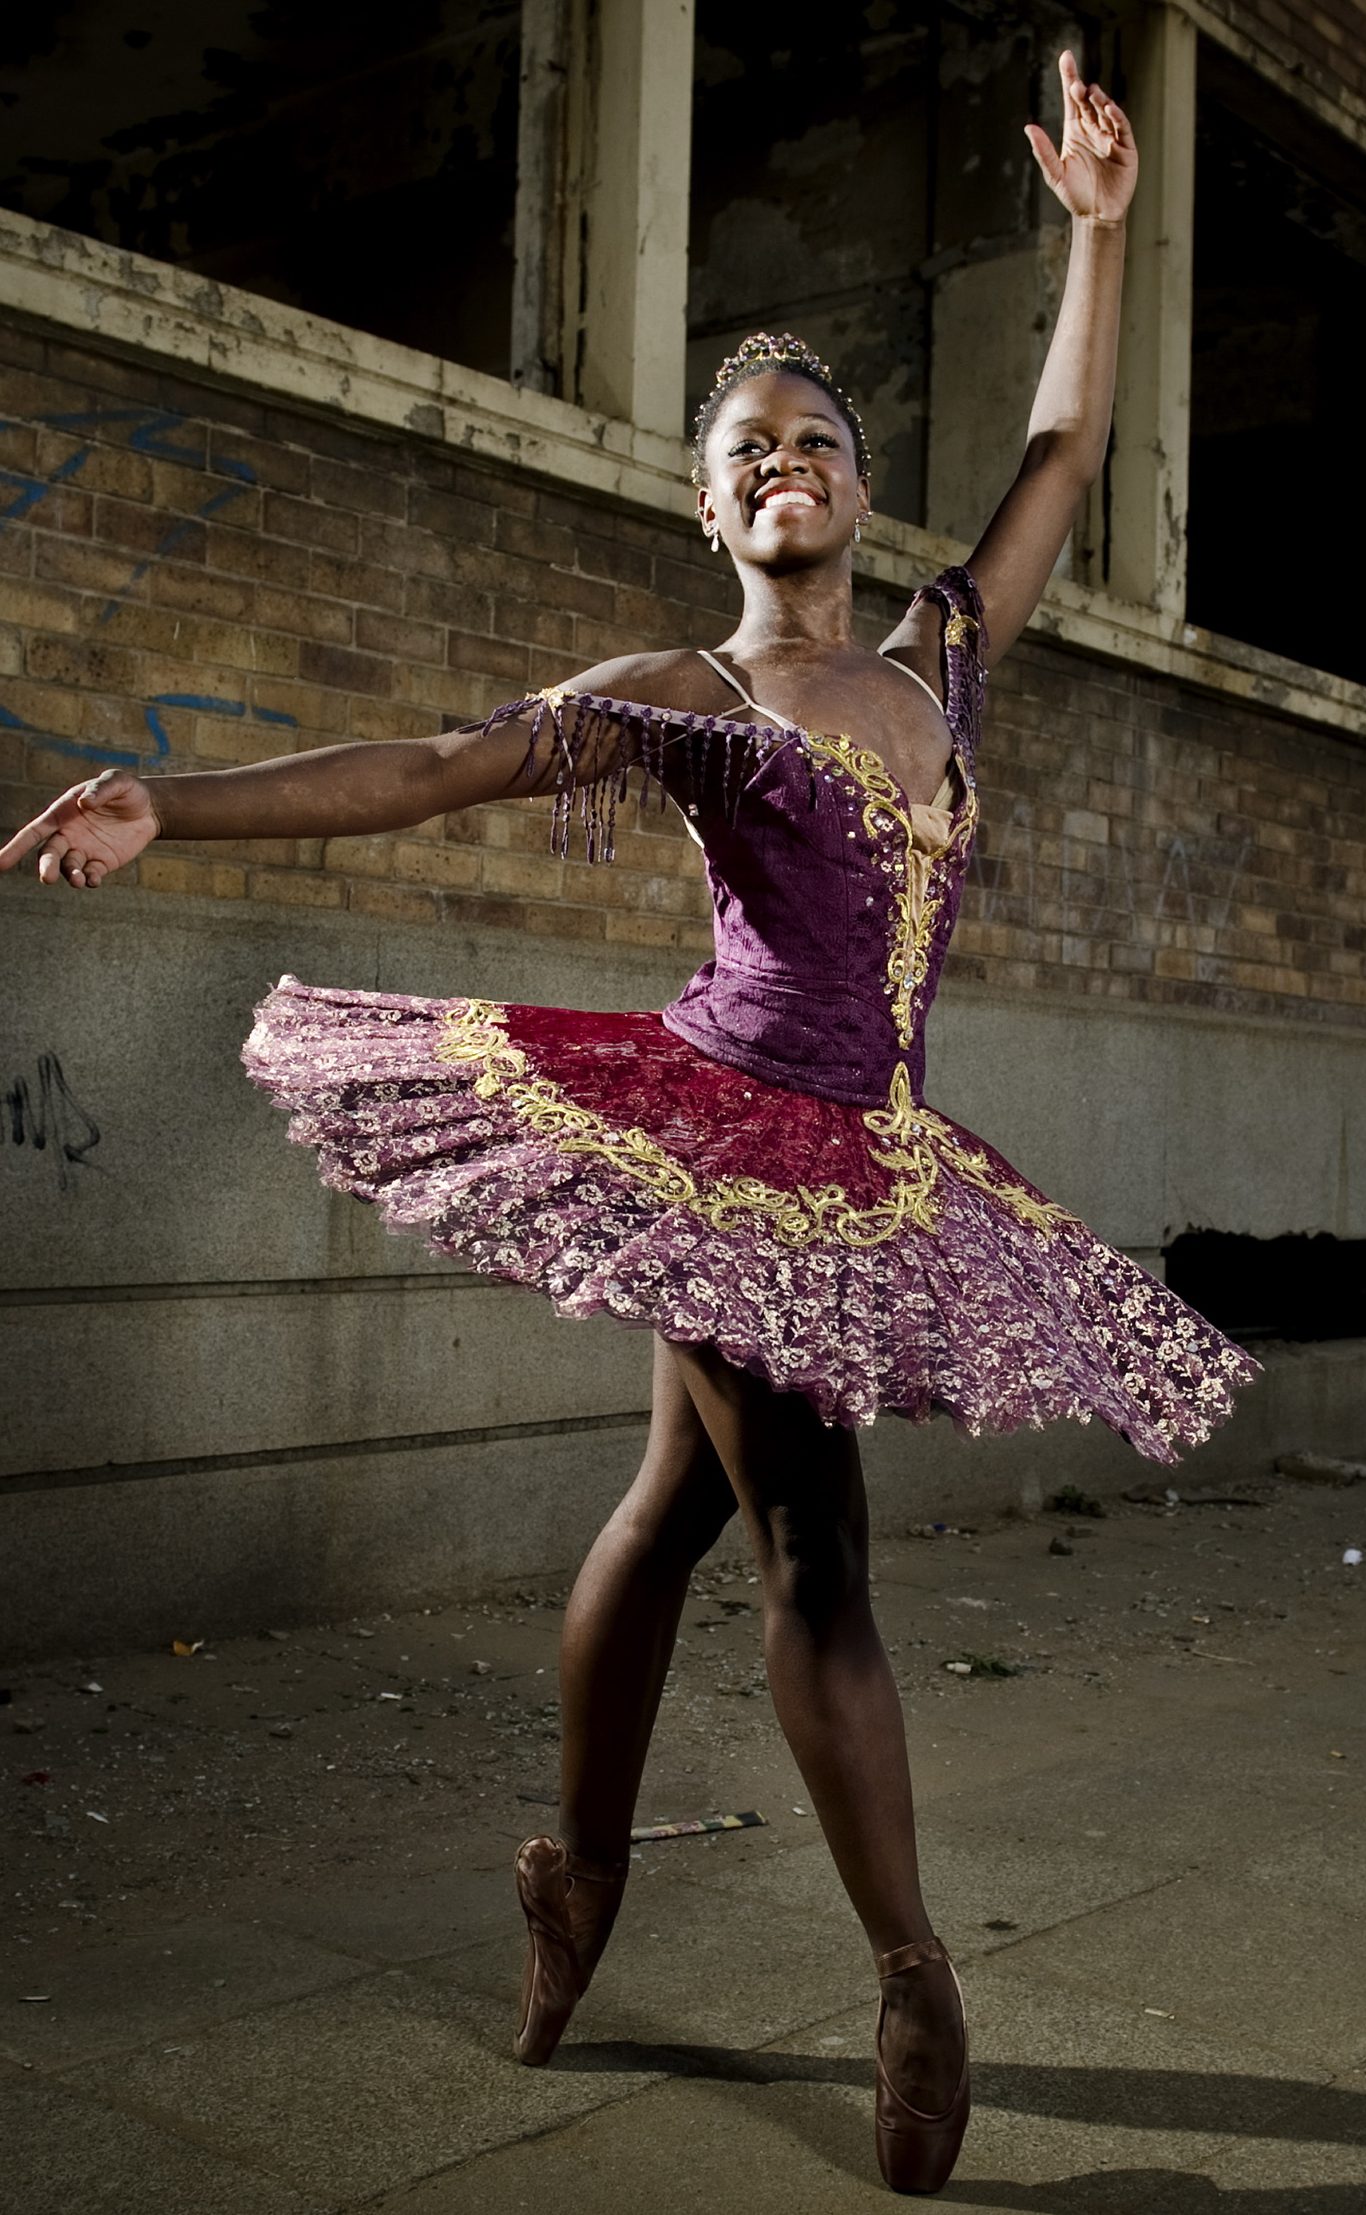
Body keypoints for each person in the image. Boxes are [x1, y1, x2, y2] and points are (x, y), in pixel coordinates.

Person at [3, 56, 1256, 2195]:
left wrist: (1100, 233)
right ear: (708, 511)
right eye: (743, 452)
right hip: (720, 1139)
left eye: (814, 442)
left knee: (675, 1507)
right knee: (813, 1547)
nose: (783, 465)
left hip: (872, 1146)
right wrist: (170, 802)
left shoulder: (945, 661)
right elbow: (432, 765)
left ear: (861, 488)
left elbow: (1062, 451)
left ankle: (574, 1871)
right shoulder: (693, 695)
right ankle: (914, 1975)